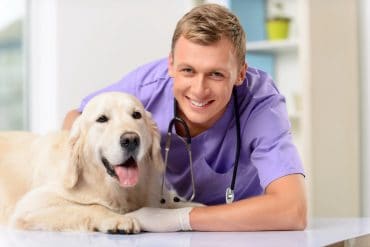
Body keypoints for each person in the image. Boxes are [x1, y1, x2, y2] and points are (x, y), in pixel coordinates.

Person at [63, 4, 307, 232]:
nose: (199, 89)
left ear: (240, 73)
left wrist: (178, 219)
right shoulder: (146, 86)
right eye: (187, 70)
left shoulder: (261, 103)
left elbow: (292, 210)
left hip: (237, 228)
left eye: (216, 74)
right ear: (171, 64)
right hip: (158, 226)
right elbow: (76, 119)